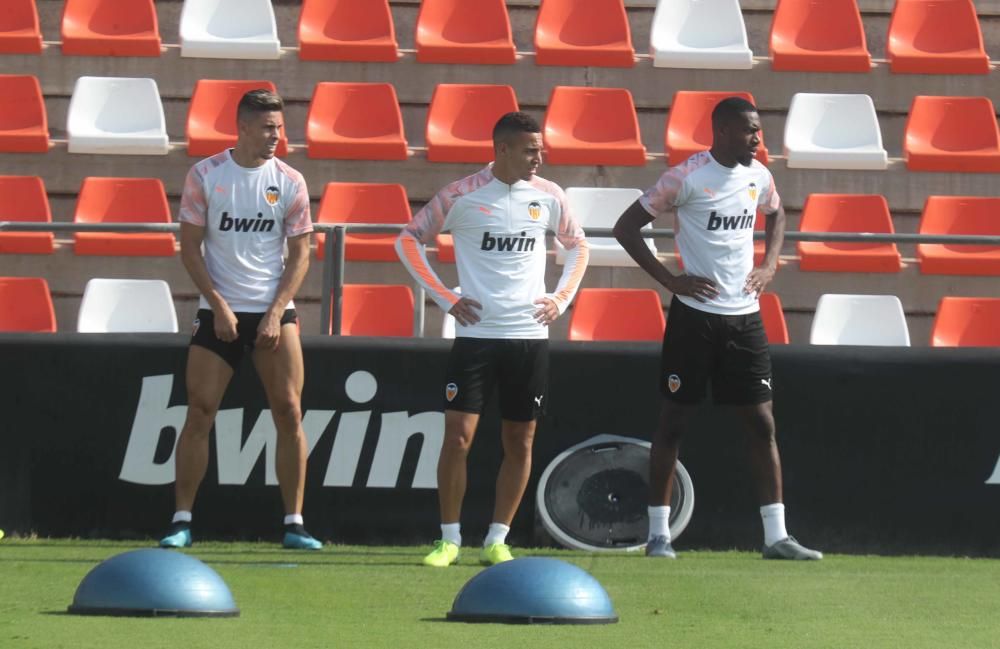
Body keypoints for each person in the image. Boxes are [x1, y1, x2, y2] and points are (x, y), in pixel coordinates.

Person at [613, 97, 822, 560]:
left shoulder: (758, 175)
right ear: (723, 131)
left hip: (745, 318)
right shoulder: (687, 177)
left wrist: (769, 264)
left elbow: (778, 213)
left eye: (759, 131)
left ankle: (775, 537)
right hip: (694, 316)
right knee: (673, 423)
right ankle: (658, 535)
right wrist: (670, 279)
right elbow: (626, 226)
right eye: (750, 131)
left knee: (762, 423)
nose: (757, 139)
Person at [395, 112, 589, 567]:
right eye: (529, 150)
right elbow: (407, 240)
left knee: (520, 440)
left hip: (529, 337)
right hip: (476, 336)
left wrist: (561, 298)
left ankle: (497, 539)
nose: (538, 159)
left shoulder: (549, 196)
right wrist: (446, 298)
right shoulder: (460, 195)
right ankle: (448, 540)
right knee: (458, 438)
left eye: (540, 150)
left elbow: (578, 245)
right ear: (502, 149)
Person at [159, 89, 321, 550]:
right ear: (244, 127)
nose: (277, 136)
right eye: (269, 127)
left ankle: (294, 522)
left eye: (280, 127)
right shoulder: (206, 174)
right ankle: (181, 519)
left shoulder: (289, 180)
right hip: (219, 312)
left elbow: (301, 254)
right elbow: (189, 248)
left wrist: (275, 313)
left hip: (273, 315)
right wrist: (219, 304)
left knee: (289, 411)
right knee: (200, 411)